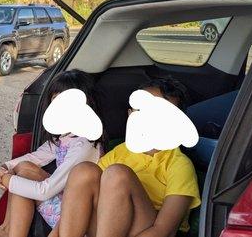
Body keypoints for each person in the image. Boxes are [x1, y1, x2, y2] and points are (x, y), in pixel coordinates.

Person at [56, 77, 201, 237]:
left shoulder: (179, 164)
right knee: (84, 170)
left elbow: (165, 230)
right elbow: (77, 201)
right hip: (109, 227)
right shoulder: (121, 152)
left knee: (117, 174)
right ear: (131, 114)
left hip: (148, 229)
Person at [0, 70, 107, 237]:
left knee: (23, 174)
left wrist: (8, 179)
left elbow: (46, 191)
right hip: (63, 204)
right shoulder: (64, 138)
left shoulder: (84, 144)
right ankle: (7, 229)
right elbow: (35, 157)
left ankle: (9, 232)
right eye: (55, 100)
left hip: (76, 217)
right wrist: (5, 167)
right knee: (24, 167)